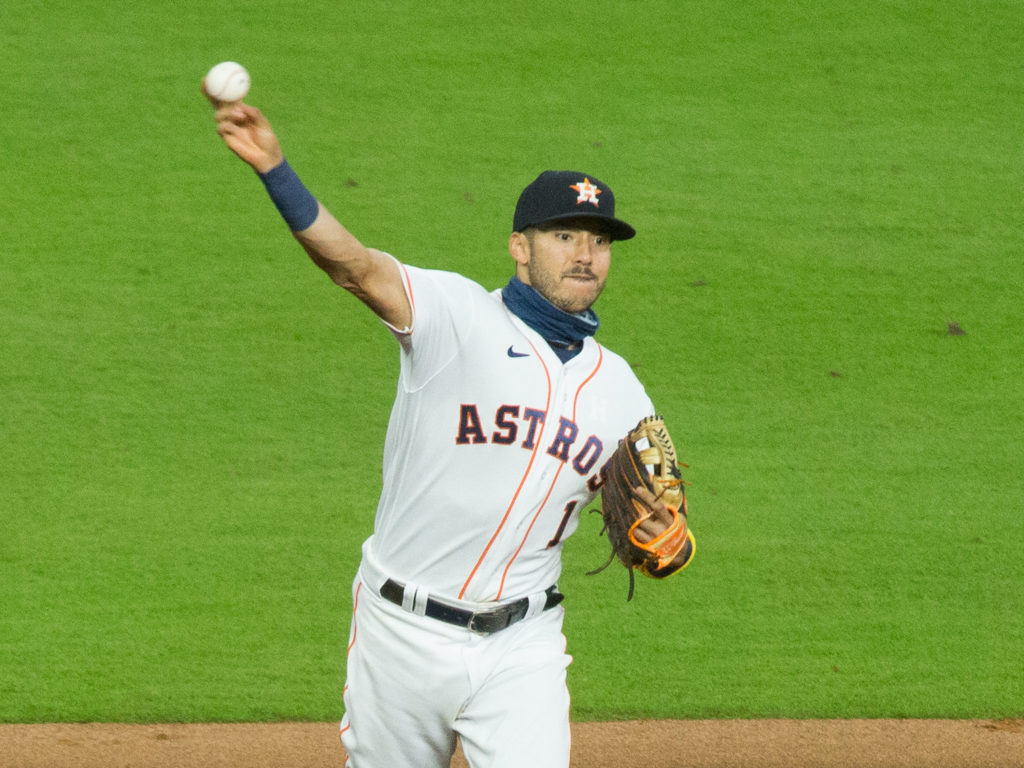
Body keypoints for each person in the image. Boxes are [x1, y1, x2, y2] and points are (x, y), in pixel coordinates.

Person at [206, 90, 691, 768]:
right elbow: (352, 266)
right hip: (401, 631)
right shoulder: (452, 316)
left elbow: (653, 508)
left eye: (599, 240)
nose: (586, 254)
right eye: (565, 236)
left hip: (522, 644)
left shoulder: (622, 390)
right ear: (520, 248)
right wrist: (275, 171)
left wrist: (663, 535)